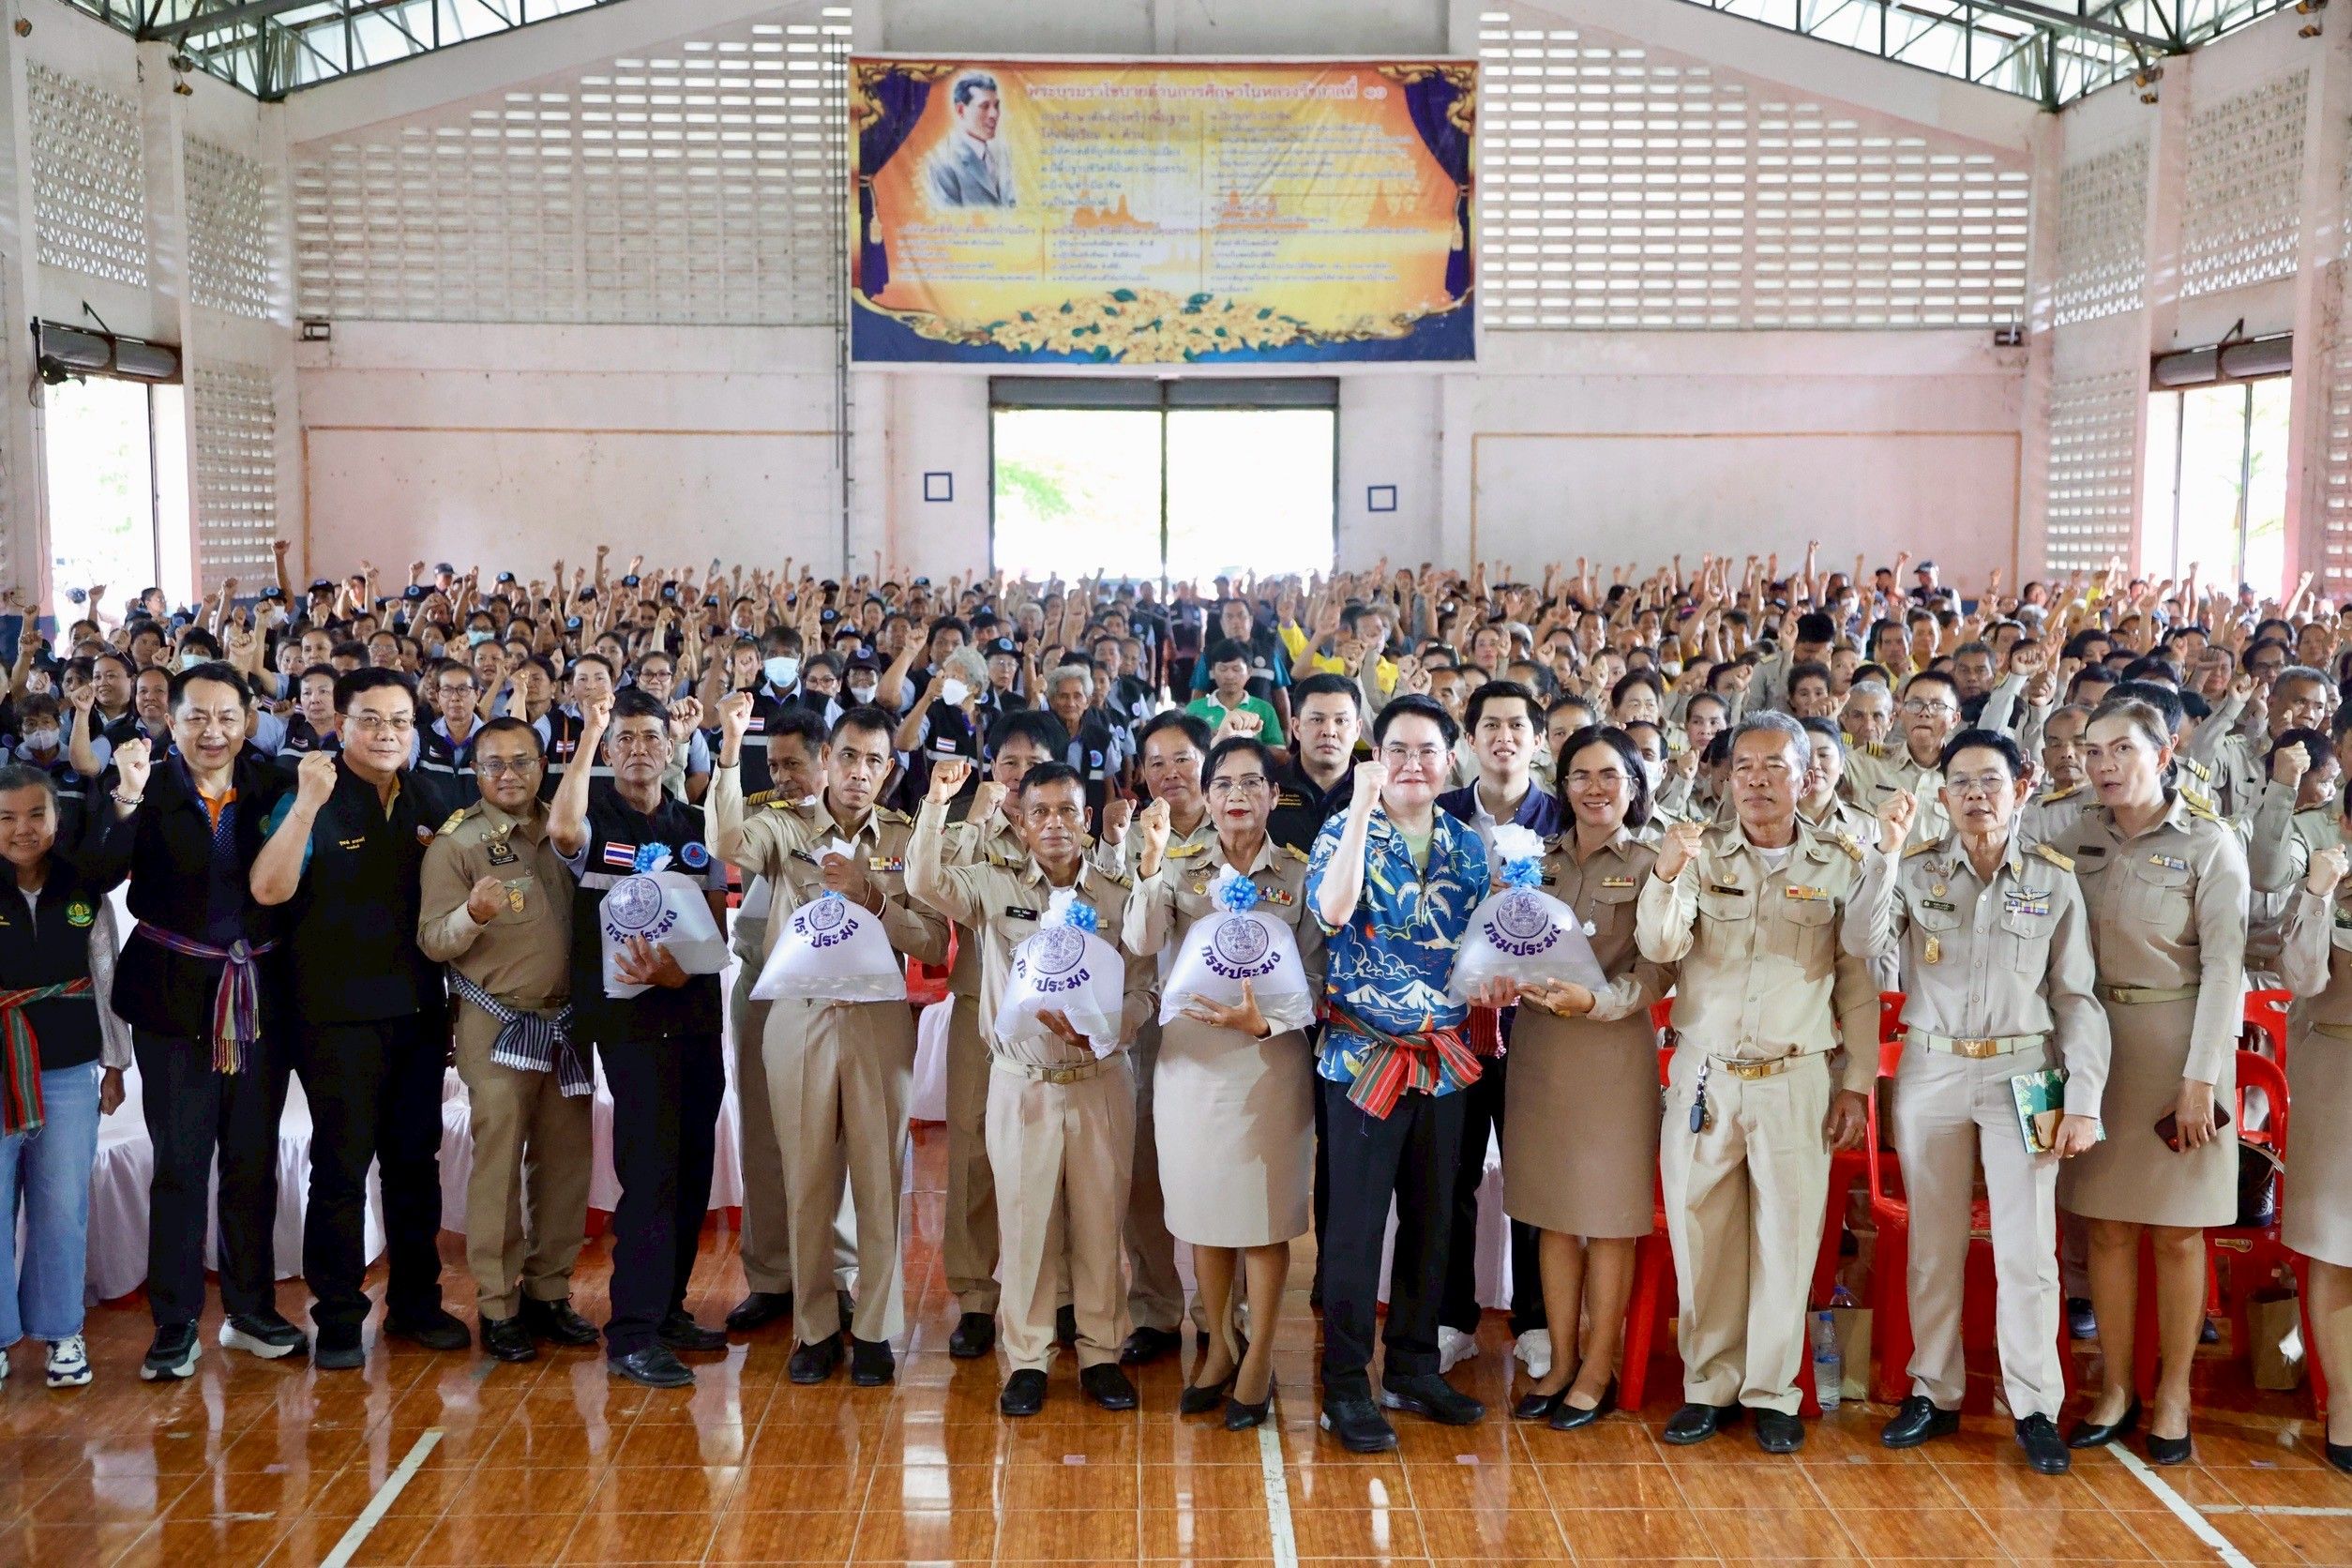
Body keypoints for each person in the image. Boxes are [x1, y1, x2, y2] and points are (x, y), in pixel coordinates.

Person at [1846, 730, 2108, 1475]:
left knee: (2028, 1251)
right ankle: (1933, 1390)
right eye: (1958, 782)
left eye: (1989, 780)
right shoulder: (1916, 869)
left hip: (2027, 1071)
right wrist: (1886, 854)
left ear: (2021, 787)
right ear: (1941, 793)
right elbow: (1863, 944)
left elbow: (2077, 998)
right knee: (1933, 1243)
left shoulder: (2054, 879)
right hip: (1931, 1069)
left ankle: (2034, 1407)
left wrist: (2082, 1097)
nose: (1974, 795)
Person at [1636, 712, 1879, 1454]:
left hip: (1796, 1075)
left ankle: (1774, 1390)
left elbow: (1857, 980)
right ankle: (1708, 1385)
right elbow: (1660, 945)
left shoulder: (1841, 860)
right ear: (1726, 776)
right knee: (1702, 1232)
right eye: (1744, 766)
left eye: (1775, 766)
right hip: (1708, 1074)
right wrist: (1669, 872)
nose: (1758, 780)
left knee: (1789, 1235)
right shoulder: (1698, 853)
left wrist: (1857, 1084)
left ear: (1805, 775)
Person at [708, 695, 947, 1385]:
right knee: (805, 1179)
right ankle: (814, 1329)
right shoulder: (786, 828)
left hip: (877, 1018)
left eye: (875, 760)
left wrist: (876, 897)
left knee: (878, 1181)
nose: (859, 772)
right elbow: (729, 845)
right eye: (847, 756)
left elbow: (933, 940)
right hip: (802, 1017)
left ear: (890, 771)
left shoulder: (905, 839)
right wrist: (728, 749)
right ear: (825, 761)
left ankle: (873, 1328)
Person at [907, 756, 1153, 1418]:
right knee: (1025, 1226)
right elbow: (924, 879)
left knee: (1102, 1223)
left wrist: (1111, 1030)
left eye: (1067, 811)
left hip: (1100, 1078)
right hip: (1022, 1083)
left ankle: (1101, 1352)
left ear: (1087, 818)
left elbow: (1145, 985)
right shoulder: (993, 883)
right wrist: (938, 803)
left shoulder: (1118, 886)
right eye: (1039, 811)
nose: (1054, 824)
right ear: (1020, 818)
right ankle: (1028, 1359)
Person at [251, 668, 466, 1369]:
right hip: (333, 1015)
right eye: (371, 721)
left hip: (417, 1012)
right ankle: (339, 1316)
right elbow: (271, 888)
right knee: (341, 1169)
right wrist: (308, 806)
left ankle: (416, 1304)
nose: (386, 734)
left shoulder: (433, 797)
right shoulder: (308, 793)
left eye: (400, 722)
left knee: (415, 1165)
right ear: (341, 725)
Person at [2054, 696, 2248, 1466]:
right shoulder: (2074, 837)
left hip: (2180, 1048)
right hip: (2098, 1049)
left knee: (2176, 1234)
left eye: (2122, 750)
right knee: (2103, 1227)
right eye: (2093, 751)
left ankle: (2174, 1392)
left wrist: (2202, 1076)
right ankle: (2115, 1388)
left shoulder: (2209, 843)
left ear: (2163, 754)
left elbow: (2226, 968)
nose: (2103, 765)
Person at [109, 663, 309, 1381]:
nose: (213, 731)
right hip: (172, 1002)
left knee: (252, 1161)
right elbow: (98, 869)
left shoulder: (274, 786)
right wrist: (125, 799)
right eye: (197, 716)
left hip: (259, 994)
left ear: (249, 719)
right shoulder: (148, 787)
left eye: (228, 716)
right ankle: (175, 1324)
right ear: (169, 718)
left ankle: (251, 1312)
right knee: (181, 1166)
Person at [1304, 693, 1492, 1453]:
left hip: (1444, 1061)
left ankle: (1414, 1365)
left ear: (1452, 761)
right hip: (1362, 1058)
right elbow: (1332, 910)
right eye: (1397, 752)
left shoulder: (1470, 845)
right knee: (1353, 1227)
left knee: (1434, 1215)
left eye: (1427, 752)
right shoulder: (1342, 830)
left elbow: (1487, 947)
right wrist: (1359, 809)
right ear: (1375, 758)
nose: (1412, 765)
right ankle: (1346, 1385)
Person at [1123, 735, 1322, 1426]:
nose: (1238, 796)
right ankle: (1220, 1346)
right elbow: (1144, 943)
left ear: (1273, 796)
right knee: (1207, 1214)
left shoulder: (1299, 874)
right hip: (1193, 1064)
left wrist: (1265, 1024)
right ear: (1207, 798)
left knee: (1264, 1219)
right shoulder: (1177, 866)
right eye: (1225, 785)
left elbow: (1318, 978)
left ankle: (1259, 1357)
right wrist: (1149, 865)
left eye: (1252, 784)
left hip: (1269, 1062)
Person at [548, 687, 732, 1388]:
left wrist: (681, 968)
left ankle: (670, 1310)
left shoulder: (693, 823)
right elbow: (561, 833)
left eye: (650, 738)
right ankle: (631, 1333)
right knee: (649, 1175)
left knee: (689, 1170)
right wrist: (590, 734)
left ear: (671, 745)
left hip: (693, 1011)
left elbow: (715, 918)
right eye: (624, 739)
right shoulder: (592, 814)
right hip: (627, 1025)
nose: (638, 751)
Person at [1492, 727, 1668, 1431]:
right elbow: (1507, 940)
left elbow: (1657, 970)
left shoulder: (1656, 864)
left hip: (1612, 1055)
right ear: (1561, 786)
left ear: (1633, 785)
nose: (1595, 788)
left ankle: (1599, 1367)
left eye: (1610, 775)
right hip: (1539, 1051)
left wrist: (1598, 1002)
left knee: (1609, 1222)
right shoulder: (1538, 862)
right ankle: (1561, 1360)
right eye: (1579, 776)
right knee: (1552, 1217)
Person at [417, 716, 599, 1363]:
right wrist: (473, 913)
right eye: (493, 764)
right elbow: (433, 939)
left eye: (521, 761)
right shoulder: (456, 845)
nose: (508, 775)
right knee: (498, 1167)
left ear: (542, 765)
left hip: (567, 1024)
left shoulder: (569, 826)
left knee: (566, 1159)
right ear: (476, 772)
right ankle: (497, 1304)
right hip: (496, 1024)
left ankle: (549, 1293)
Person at [1434, 680, 1560, 1380]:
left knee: (1532, 1172)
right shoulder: (1443, 815)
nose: (1504, 736)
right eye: (1490, 725)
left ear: (1536, 739)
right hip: (1454, 1026)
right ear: (1470, 741)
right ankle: (1452, 1318)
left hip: (1539, 1026)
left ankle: (1536, 1319)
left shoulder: (1563, 817)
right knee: (1448, 1173)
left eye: (1517, 725)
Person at [0, 759, 139, 1387]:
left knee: (61, 1204)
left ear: (58, 820)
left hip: (68, 1066)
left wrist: (115, 1061)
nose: (22, 830)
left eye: (36, 815)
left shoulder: (81, 887)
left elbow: (106, 973)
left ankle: (61, 1333)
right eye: (5, 818)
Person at [934, 709, 1063, 1360]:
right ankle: (977, 1296)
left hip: (1055, 1019)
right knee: (973, 1148)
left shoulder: (1064, 830)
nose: (1017, 776)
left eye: (1030, 764)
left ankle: (1060, 1295)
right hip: (978, 1009)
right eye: (1007, 765)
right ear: (990, 772)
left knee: (1057, 1149)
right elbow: (933, 889)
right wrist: (976, 816)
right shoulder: (971, 830)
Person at [718, 703, 837, 1337]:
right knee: (762, 1133)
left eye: (795, 764)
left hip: (835, 993)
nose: (784, 776)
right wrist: (733, 752)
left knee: (836, 1138)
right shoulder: (766, 819)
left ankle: (838, 1278)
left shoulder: (854, 821)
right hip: (764, 985)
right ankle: (771, 1277)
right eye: (775, 764)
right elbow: (728, 842)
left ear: (827, 761)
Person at [1111, 711, 1217, 1366]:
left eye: (1181, 759)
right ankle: (1153, 1308)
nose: (1170, 774)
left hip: (1212, 1025)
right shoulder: (1128, 843)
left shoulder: (1236, 830)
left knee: (1213, 1169)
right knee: (1142, 1171)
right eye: (1156, 763)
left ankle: (1216, 1311)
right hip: (1144, 1021)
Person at [2272, 813, 2352, 1470]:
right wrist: (2319, 894)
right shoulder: (2327, 887)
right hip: (2338, 1078)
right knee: (2336, 1249)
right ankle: (2347, 1411)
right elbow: (2301, 979)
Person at [926, 71, 1016, 209]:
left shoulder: (1003, 154)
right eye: (984, 106)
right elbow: (948, 221)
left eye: (996, 106)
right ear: (961, 110)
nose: (994, 114)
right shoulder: (943, 162)